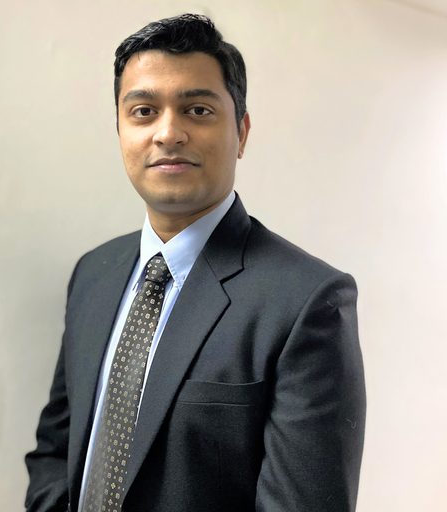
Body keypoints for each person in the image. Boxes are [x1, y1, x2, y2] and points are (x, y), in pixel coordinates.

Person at [25, 14, 366, 512]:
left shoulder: (306, 303)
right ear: (120, 131)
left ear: (241, 133)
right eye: (143, 111)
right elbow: (57, 449)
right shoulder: (93, 273)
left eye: (198, 110)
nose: (168, 133)